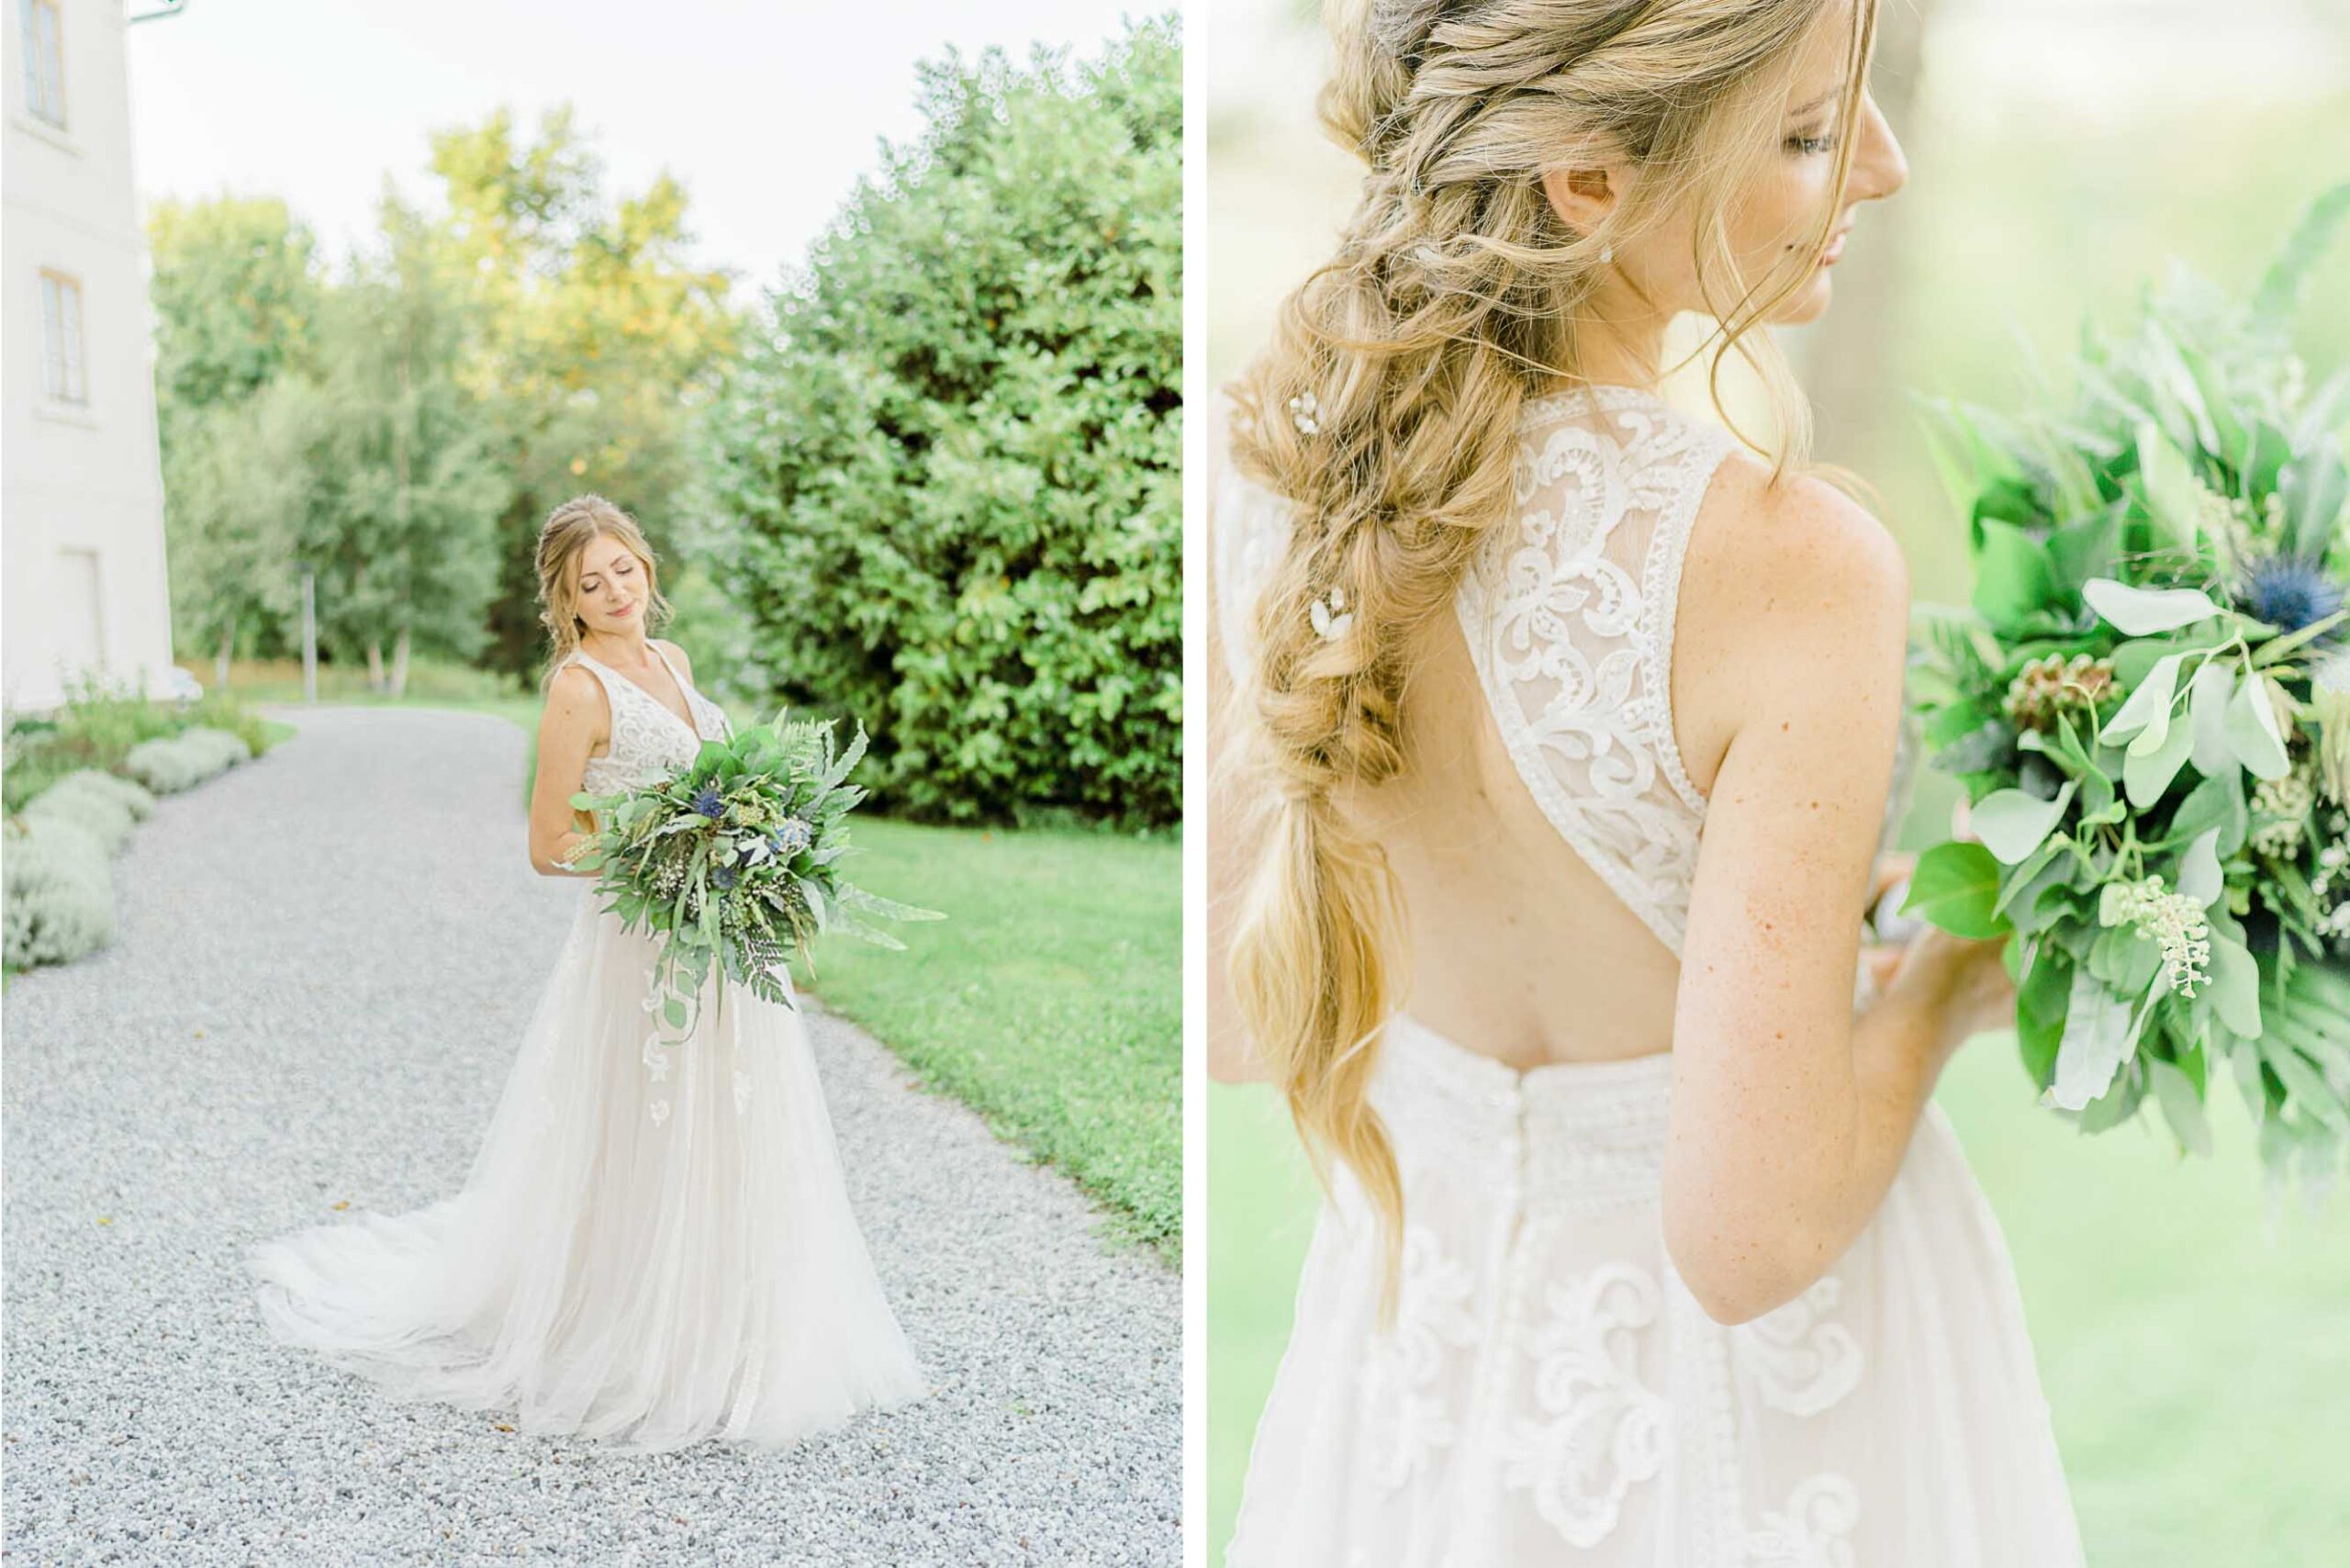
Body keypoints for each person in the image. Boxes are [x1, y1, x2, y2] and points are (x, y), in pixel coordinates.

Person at [1205, 0, 2086, 1561]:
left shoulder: (1270, 471)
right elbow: (1748, 1239)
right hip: (1739, 1419)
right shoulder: (1790, 565)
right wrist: (1944, 984)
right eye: (1810, 133)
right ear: (1590, 180)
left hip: (1422, 1353)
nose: (1879, 167)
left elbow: (1229, 1011)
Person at [246, 494, 928, 1454]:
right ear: (564, 599)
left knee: (733, 1120)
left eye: (624, 569)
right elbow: (547, 840)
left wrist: (746, 846)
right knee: (644, 1127)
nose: (614, 591)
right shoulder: (577, 688)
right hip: (640, 942)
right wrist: (664, 855)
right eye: (589, 581)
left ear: (648, 567)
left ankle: (734, 1325)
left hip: (718, 937)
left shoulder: (673, 663)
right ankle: (637, 1331)